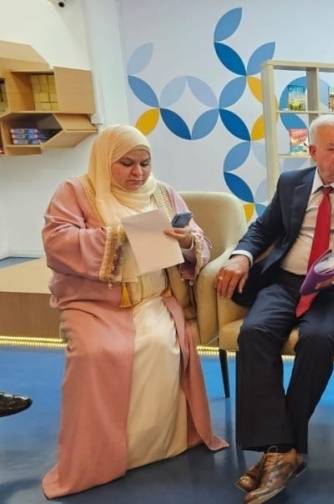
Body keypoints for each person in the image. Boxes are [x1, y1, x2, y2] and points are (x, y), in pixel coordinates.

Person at [216, 114, 334, 504]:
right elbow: (263, 229)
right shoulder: (291, 183)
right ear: (313, 151)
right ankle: (285, 451)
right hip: (285, 281)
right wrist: (242, 256)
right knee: (254, 333)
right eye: (333, 148)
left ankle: (279, 452)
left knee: (317, 340)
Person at [40, 125, 227, 498]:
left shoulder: (163, 193)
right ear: (105, 160)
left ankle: (162, 444)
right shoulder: (76, 192)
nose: (138, 173)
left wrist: (186, 242)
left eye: (144, 163)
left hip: (157, 298)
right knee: (97, 353)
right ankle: (104, 455)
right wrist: (118, 235)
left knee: (162, 344)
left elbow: (200, 241)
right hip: (96, 303)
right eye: (126, 164)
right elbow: (57, 242)